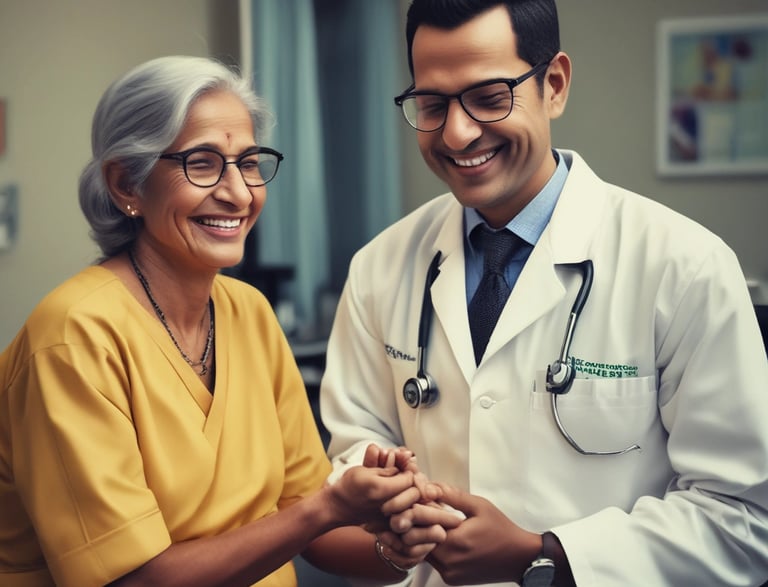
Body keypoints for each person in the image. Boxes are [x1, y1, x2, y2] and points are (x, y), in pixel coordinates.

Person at [319, 1, 768, 586]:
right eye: (432, 104)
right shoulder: (380, 266)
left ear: (553, 85)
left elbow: (745, 517)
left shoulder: (685, 267)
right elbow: (354, 452)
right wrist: (385, 499)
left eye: (489, 96)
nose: (456, 133)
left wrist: (546, 555)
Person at [0, 55, 446, 587]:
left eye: (250, 162)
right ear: (126, 185)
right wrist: (326, 509)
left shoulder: (249, 313)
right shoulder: (73, 337)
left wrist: (399, 543)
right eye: (203, 163)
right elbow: (133, 581)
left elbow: (313, 531)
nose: (239, 192)